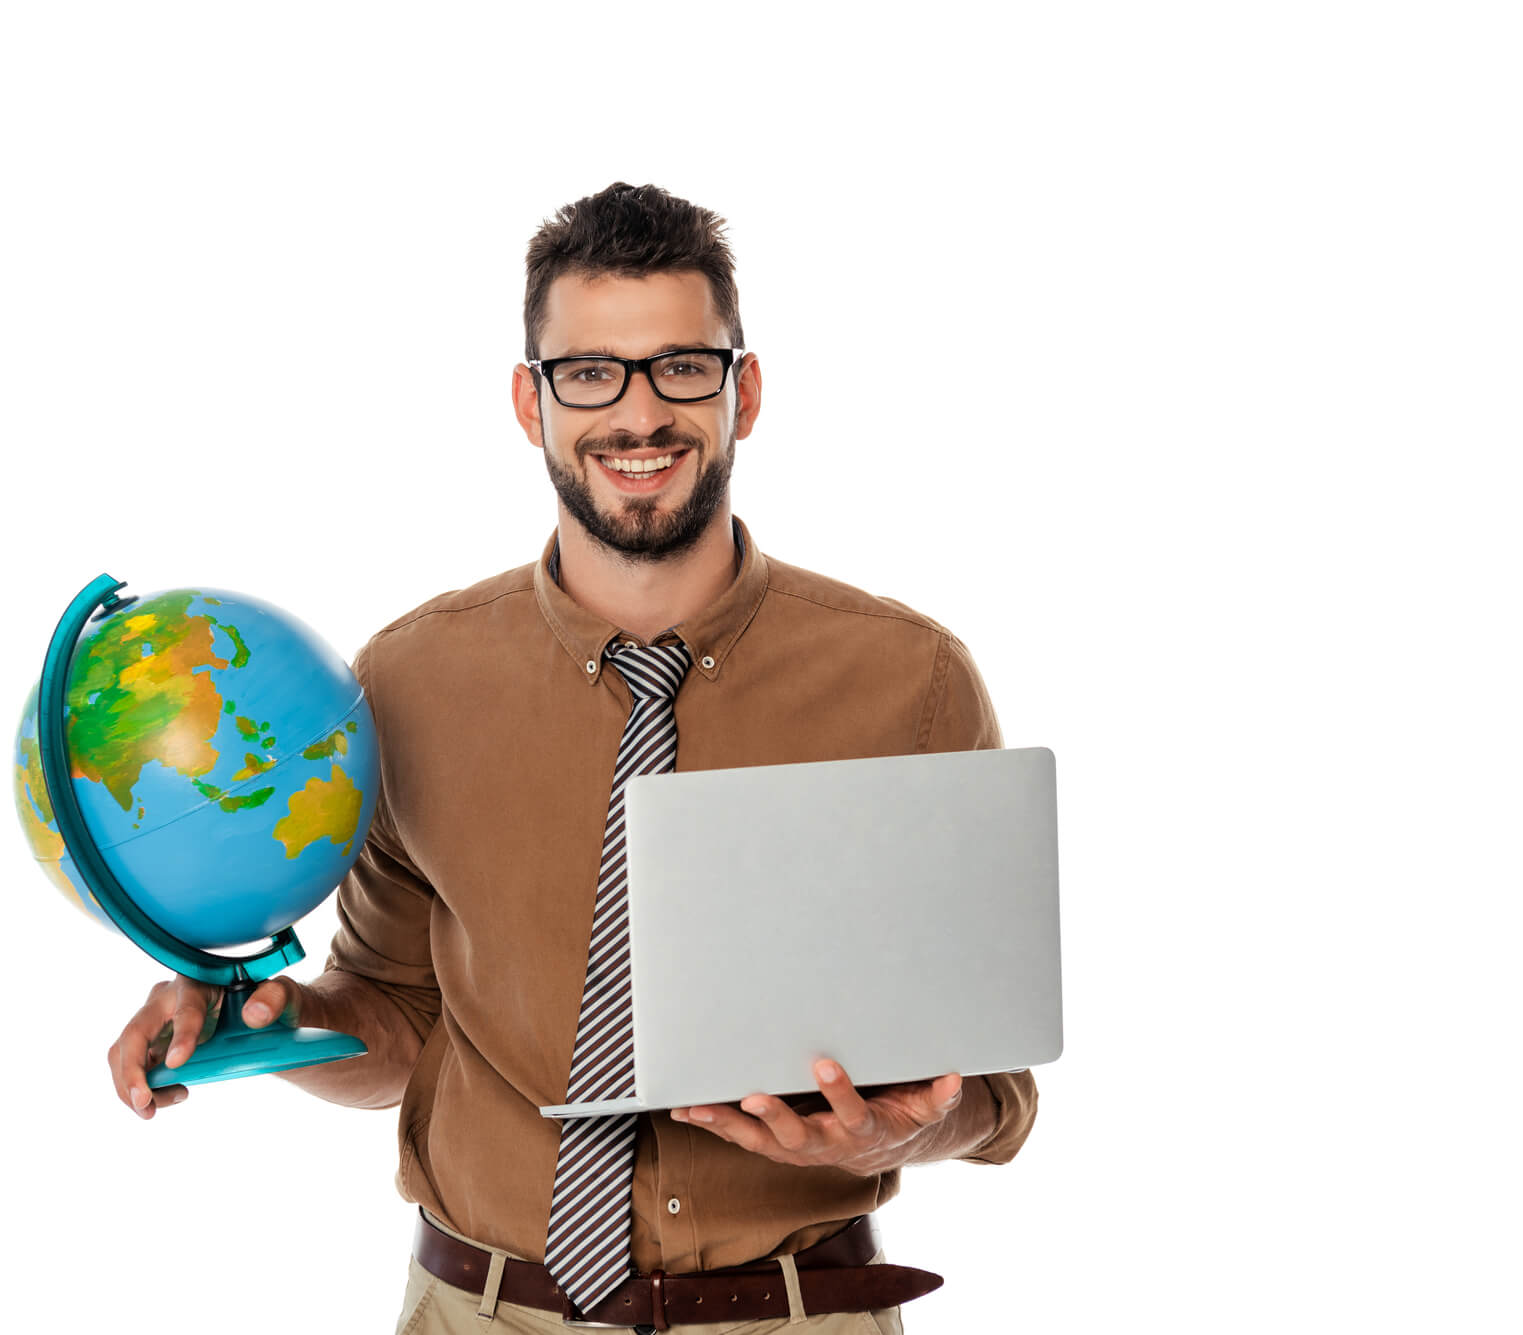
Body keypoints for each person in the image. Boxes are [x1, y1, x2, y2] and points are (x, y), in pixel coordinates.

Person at [106, 182, 1040, 1333]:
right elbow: (400, 1019)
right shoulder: (405, 685)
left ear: (742, 392)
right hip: (481, 1313)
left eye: (680, 368)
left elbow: (995, 1092)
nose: (636, 415)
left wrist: (903, 1126)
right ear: (528, 401)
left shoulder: (911, 684)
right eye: (589, 373)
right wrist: (263, 1024)